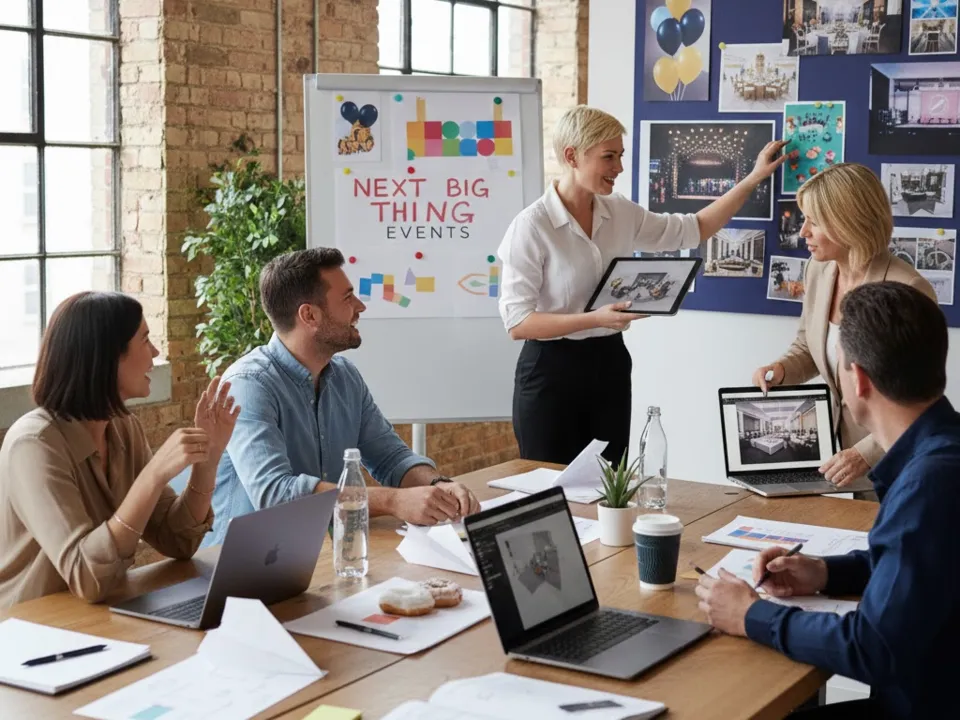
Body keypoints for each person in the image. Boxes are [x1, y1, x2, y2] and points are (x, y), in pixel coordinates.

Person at [697, 282, 959, 720]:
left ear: (858, 379)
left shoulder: (927, 485)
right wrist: (824, 572)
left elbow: (873, 647)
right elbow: (919, 568)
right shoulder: (942, 452)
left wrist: (751, 615)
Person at [498, 105, 788, 465]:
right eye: (609, 156)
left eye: (620, 155)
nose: (619, 167)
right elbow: (518, 322)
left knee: (609, 484)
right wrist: (595, 318)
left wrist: (753, 178)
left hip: (610, 364)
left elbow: (694, 228)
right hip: (549, 371)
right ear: (572, 156)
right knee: (550, 485)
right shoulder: (531, 226)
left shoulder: (620, 210)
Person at [204, 247, 481, 548]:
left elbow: (391, 458)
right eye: (348, 298)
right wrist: (393, 501)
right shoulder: (248, 386)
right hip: (246, 561)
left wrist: (439, 486)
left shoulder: (345, 377)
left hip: (324, 551)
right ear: (309, 315)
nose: (360, 306)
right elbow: (275, 495)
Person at [0, 292, 238, 609]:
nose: (155, 352)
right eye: (145, 340)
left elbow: (178, 541)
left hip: (99, 617)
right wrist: (153, 476)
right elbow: (87, 577)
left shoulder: (124, 427)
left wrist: (208, 459)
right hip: (29, 626)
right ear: (108, 358)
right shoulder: (34, 445)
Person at [752, 163, 936, 493]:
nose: (803, 231)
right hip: (836, 455)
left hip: (896, 461)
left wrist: (866, 453)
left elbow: (920, 399)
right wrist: (781, 370)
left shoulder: (907, 289)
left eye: (814, 221)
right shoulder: (818, 270)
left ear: (848, 221)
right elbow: (808, 345)